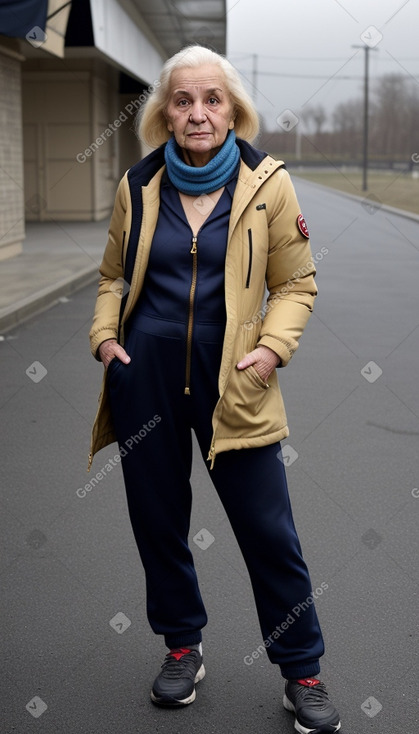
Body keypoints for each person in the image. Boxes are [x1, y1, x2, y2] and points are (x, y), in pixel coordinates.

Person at [88, 44, 341, 734]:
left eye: (211, 99)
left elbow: (295, 283)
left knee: (268, 531)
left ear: (232, 110)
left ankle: (303, 671)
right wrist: (108, 340)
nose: (197, 113)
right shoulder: (139, 185)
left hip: (240, 383)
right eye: (182, 100)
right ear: (165, 114)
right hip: (147, 382)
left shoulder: (268, 183)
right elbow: (112, 274)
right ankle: (181, 647)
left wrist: (268, 350)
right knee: (158, 521)